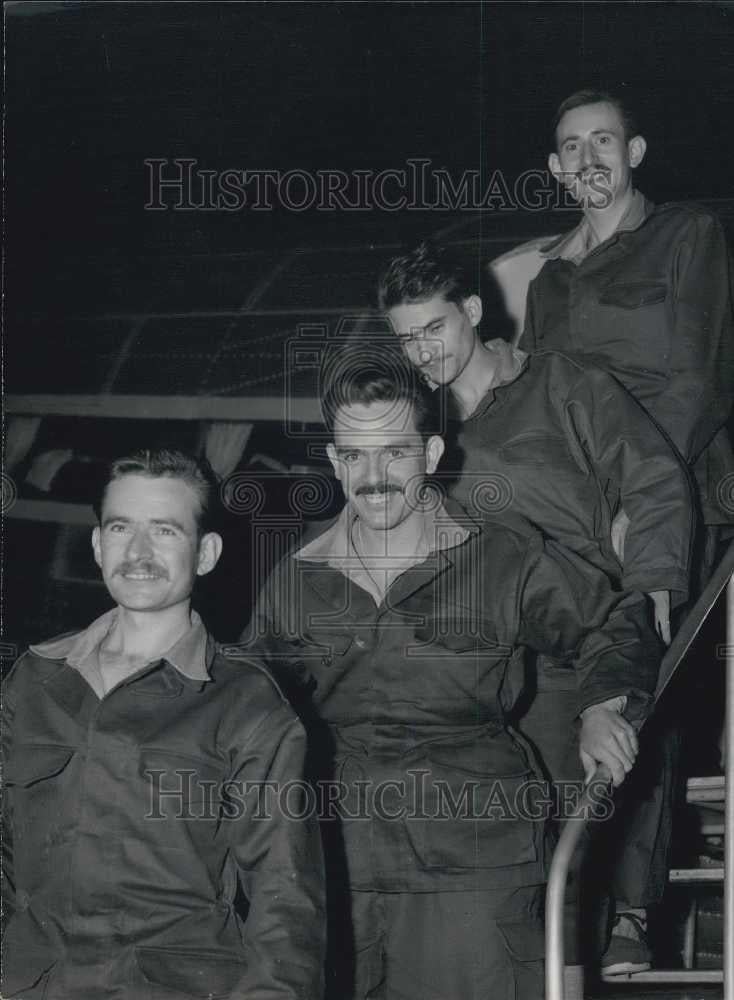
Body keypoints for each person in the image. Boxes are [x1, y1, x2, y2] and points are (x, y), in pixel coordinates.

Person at [241, 356, 660, 1000]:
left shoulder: (499, 554)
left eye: (395, 453)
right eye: (355, 456)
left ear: (431, 453)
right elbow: (245, 707)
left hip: (475, 860)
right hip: (335, 861)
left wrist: (603, 703)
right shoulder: (297, 579)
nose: (375, 478)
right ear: (333, 461)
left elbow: (612, 620)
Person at [377, 240, 695, 974]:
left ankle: (616, 921)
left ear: (474, 312)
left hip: (582, 635)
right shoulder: (420, 432)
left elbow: (653, 482)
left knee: (582, 818)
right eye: (407, 338)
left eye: (435, 328)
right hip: (487, 649)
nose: (424, 351)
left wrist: (651, 588)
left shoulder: (565, 386)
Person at [1, 449, 325, 1000]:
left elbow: (285, 899)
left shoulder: (247, 704)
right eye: (121, 527)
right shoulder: (34, 677)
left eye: (166, 531)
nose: (139, 552)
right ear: (99, 544)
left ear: (206, 553)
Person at [523, 89, 734, 586]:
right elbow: (534, 404)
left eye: (603, 140)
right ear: (557, 167)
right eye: (573, 146)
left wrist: (643, 495)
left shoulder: (688, 234)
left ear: (633, 152)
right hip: (580, 515)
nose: (589, 158)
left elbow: (698, 381)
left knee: (670, 660)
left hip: (677, 498)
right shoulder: (545, 282)